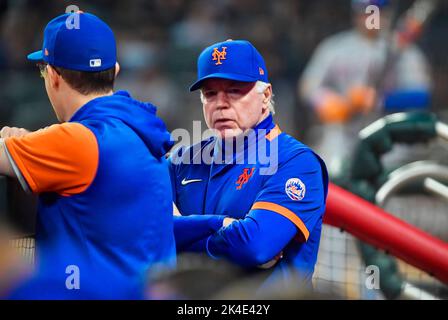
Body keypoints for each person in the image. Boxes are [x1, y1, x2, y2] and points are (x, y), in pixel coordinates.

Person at [0, 12, 175, 299]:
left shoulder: (76, 140)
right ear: (115, 70)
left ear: (53, 75)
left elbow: (70, 147)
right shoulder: (140, 129)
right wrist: (30, 145)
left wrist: (15, 143)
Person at [169, 39, 328, 292]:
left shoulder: (295, 161)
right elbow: (143, 231)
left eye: (234, 91)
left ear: (265, 95)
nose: (220, 103)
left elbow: (255, 246)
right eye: (210, 93)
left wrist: (183, 241)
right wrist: (220, 225)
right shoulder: (182, 161)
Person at [299, 0, 432, 174]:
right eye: (365, 12)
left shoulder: (402, 50)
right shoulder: (335, 47)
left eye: (376, 11)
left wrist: (380, 100)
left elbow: (422, 96)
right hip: (341, 141)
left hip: (389, 145)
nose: (370, 18)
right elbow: (308, 85)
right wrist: (326, 101)